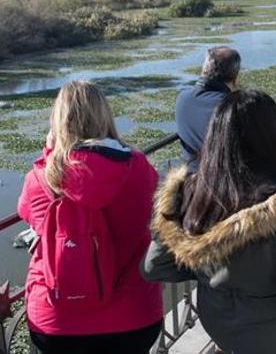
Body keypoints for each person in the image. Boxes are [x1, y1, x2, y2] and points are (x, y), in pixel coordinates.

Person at [143, 90, 276, 354]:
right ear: (274, 136)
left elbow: (154, 266)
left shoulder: (189, 191)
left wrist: (208, 271)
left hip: (217, 321)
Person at [17, 81, 163, 354]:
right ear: (105, 115)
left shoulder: (40, 178)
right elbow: (154, 213)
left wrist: (48, 153)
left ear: (58, 122)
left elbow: (28, 214)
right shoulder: (140, 169)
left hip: (57, 322)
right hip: (132, 318)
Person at [175, 46, 241, 171]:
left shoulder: (182, 98)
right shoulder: (233, 106)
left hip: (191, 175)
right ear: (235, 76)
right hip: (224, 179)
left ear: (204, 70)